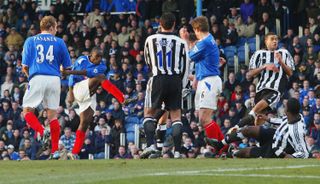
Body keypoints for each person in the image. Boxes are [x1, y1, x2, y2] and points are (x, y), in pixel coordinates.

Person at [21, 16, 72, 155]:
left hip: (37, 77)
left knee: (27, 112)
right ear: (51, 27)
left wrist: (30, 78)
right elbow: (67, 68)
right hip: (54, 79)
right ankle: (55, 151)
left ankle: (43, 132)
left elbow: (24, 66)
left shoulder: (31, 40)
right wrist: (61, 73)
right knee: (53, 116)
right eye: (55, 27)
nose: (56, 30)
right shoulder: (60, 42)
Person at [63, 47, 125, 159]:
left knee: (85, 123)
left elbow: (86, 72)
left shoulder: (102, 66)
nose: (99, 60)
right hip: (78, 88)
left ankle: (74, 152)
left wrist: (68, 71)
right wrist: (71, 92)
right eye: (97, 58)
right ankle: (122, 99)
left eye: (101, 58)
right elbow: (73, 77)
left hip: (89, 94)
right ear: (92, 56)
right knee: (101, 78)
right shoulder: (82, 60)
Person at [142, 12, 189, 158]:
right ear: (174, 24)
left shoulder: (150, 39)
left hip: (157, 78)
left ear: (160, 24)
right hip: (175, 79)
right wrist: (183, 85)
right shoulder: (181, 42)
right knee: (176, 117)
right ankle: (177, 152)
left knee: (149, 114)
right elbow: (186, 66)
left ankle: (151, 146)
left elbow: (148, 61)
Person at [180, 16, 226, 151]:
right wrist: (196, 78)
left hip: (209, 81)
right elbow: (201, 59)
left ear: (198, 29)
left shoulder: (204, 42)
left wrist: (184, 39)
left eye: (194, 30)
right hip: (206, 80)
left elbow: (189, 56)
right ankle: (223, 147)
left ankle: (218, 148)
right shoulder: (208, 39)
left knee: (204, 119)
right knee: (202, 118)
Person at [210, 98, 310, 158]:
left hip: (276, 149)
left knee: (247, 152)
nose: (284, 108)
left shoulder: (297, 131)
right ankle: (220, 144)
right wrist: (268, 119)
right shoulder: (297, 115)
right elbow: (283, 121)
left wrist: (289, 156)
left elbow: (304, 153)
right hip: (274, 134)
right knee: (249, 129)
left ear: (288, 111)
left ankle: (229, 153)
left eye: (285, 107)